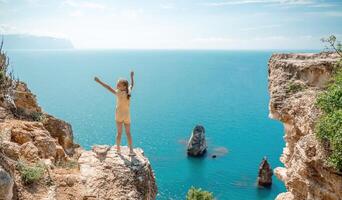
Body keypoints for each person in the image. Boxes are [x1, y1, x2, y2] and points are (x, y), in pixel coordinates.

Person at [94, 71, 135, 155]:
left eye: (119, 84)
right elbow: (132, 84)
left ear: (123, 86)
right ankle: (131, 150)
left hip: (119, 115)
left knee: (119, 133)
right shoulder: (129, 92)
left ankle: (118, 150)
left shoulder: (118, 93)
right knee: (128, 133)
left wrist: (99, 81)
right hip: (127, 115)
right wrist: (132, 76)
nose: (117, 85)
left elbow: (108, 87)